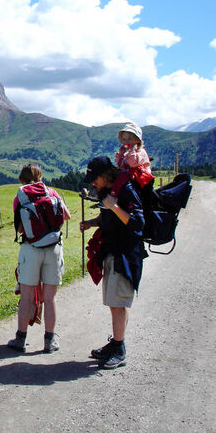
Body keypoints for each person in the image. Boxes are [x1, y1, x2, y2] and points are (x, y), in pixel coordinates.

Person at [80, 155, 147, 369]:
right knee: (114, 303)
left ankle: (119, 349)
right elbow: (108, 217)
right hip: (113, 252)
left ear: (105, 175)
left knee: (118, 304)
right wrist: (91, 223)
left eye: (95, 178)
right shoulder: (110, 192)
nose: (92, 183)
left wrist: (114, 207)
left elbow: (138, 222)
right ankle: (116, 343)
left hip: (125, 256)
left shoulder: (126, 190)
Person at [7, 164, 70, 353]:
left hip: (30, 248)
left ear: (22, 180)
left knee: (27, 296)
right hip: (54, 248)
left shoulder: (20, 198)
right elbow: (66, 215)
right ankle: (49, 341)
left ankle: (21, 339)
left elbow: (20, 228)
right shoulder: (52, 192)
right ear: (40, 176)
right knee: (50, 298)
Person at [112, 122, 154, 196]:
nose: (126, 142)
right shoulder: (127, 154)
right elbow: (120, 166)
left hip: (143, 180)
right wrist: (121, 155)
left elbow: (133, 164)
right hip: (132, 179)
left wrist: (131, 151)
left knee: (123, 177)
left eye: (130, 139)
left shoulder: (141, 152)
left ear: (137, 140)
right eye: (124, 139)